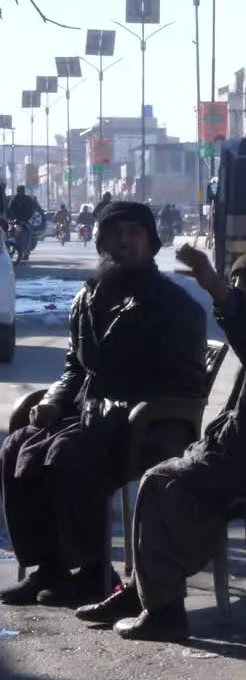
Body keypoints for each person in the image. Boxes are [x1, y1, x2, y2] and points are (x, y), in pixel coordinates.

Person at [74, 247, 246, 642]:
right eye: (235, 280)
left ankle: (162, 609)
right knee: (171, 474)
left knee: (159, 482)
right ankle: (141, 592)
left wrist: (215, 284)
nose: (239, 289)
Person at [0, 201, 209, 608]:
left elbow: (184, 384)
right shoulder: (89, 297)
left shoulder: (174, 306)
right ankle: (49, 568)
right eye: (116, 232)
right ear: (101, 242)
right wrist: (55, 402)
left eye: (135, 232)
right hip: (93, 414)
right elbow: (73, 368)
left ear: (151, 243)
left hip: (149, 425)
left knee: (65, 453)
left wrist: (116, 409)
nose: (125, 240)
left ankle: (95, 571)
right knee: (17, 447)